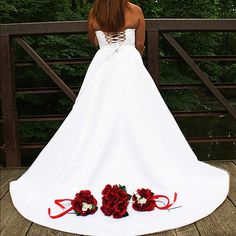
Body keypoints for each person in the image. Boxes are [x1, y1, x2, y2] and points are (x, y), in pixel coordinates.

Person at [9, 0, 229, 235]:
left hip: (101, 72)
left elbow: (94, 41)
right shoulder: (135, 11)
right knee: (142, 118)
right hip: (131, 69)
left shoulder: (94, 13)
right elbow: (141, 45)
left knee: (93, 119)